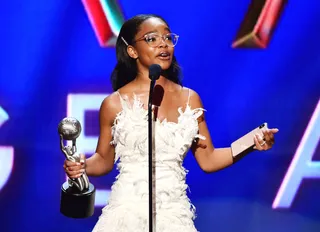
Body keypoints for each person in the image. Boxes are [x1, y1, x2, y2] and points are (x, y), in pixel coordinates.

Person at [63, 14, 279, 232]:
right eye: (151, 39)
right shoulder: (114, 103)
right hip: (125, 214)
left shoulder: (189, 99)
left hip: (174, 217)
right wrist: (83, 166)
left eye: (167, 37)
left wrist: (252, 141)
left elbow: (209, 160)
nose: (163, 44)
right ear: (132, 51)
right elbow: (104, 160)